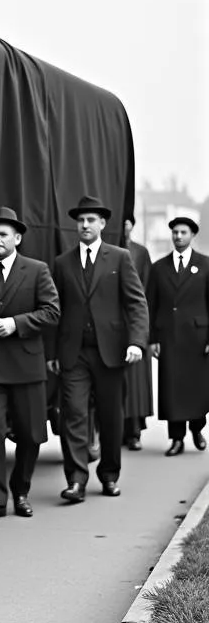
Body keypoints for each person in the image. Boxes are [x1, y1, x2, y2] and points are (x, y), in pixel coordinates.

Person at [48, 195, 148, 503]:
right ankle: (76, 480)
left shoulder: (119, 258)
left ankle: (109, 475)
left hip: (111, 352)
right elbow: (54, 311)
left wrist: (136, 341)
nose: (85, 225)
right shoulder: (62, 263)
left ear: (103, 224)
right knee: (74, 415)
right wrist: (52, 352)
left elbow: (136, 302)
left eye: (91, 220)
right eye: (81, 220)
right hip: (74, 353)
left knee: (110, 416)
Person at [0, 207, 60, 520]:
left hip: (27, 368)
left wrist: (16, 323)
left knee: (31, 434)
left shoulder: (37, 270)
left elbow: (52, 312)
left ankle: (21, 491)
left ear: (17, 238)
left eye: (3, 234)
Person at [147, 216, 209, 456]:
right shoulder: (159, 267)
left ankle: (197, 428)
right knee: (172, 388)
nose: (178, 237)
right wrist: (151, 339)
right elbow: (150, 304)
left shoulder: (204, 265)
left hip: (197, 337)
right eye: (175, 232)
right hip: (169, 337)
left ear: (192, 235)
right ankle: (176, 438)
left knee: (196, 388)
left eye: (183, 232)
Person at [122, 216, 154, 450]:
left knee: (135, 382)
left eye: (127, 222)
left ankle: (134, 431)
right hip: (112, 324)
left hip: (135, 322)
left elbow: (147, 293)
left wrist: (147, 334)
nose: (124, 226)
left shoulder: (140, 252)